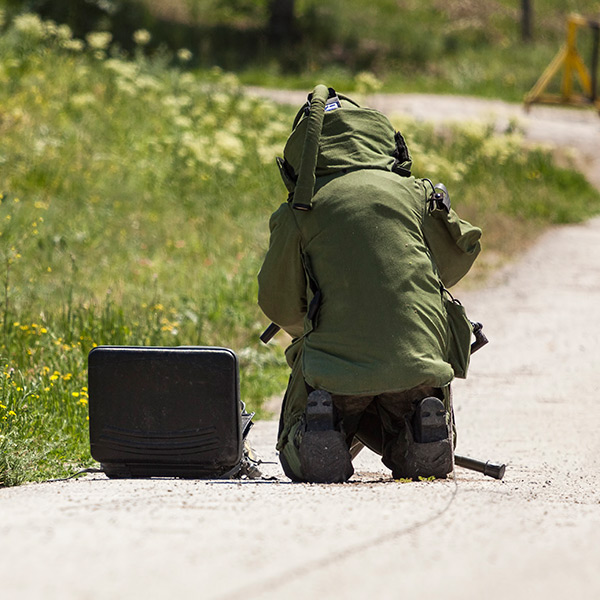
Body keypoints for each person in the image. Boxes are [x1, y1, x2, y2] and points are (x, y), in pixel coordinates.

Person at [257, 85, 482, 483]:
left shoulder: (300, 208)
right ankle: (420, 428)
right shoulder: (414, 192)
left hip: (334, 371)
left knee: (306, 425)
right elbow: (458, 256)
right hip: (419, 361)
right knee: (411, 406)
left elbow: (279, 305)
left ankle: (320, 427)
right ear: (380, 140)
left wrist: (310, 326)